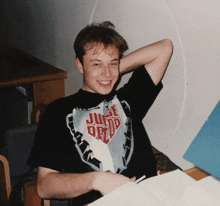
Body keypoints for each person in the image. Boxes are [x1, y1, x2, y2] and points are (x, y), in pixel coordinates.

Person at [28, 21, 173, 205]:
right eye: (96, 64)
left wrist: (111, 71)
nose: (106, 73)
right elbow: (44, 185)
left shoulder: (128, 99)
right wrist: (96, 180)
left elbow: (164, 48)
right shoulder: (58, 111)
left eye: (113, 63)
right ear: (79, 65)